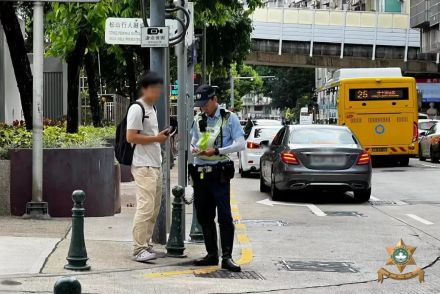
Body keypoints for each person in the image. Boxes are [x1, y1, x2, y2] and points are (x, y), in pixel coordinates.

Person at [189, 85, 246, 272]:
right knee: (204, 216)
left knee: (224, 216)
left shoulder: (229, 118)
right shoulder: (198, 119)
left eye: (205, 104)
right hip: (200, 173)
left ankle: (227, 257)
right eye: (200, 105)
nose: (202, 108)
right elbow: (193, 141)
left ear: (214, 99)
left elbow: (240, 143)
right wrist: (194, 148)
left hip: (219, 173)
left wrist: (219, 151)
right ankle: (211, 254)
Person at [126, 71, 169, 262]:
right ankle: (138, 249)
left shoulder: (152, 109)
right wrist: (156, 138)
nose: (158, 92)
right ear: (145, 89)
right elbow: (131, 136)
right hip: (143, 166)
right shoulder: (137, 108)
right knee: (145, 207)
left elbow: (148, 135)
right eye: (154, 89)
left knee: (154, 208)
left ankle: (147, 245)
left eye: (159, 89)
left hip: (154, 164)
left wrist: (159, 136)